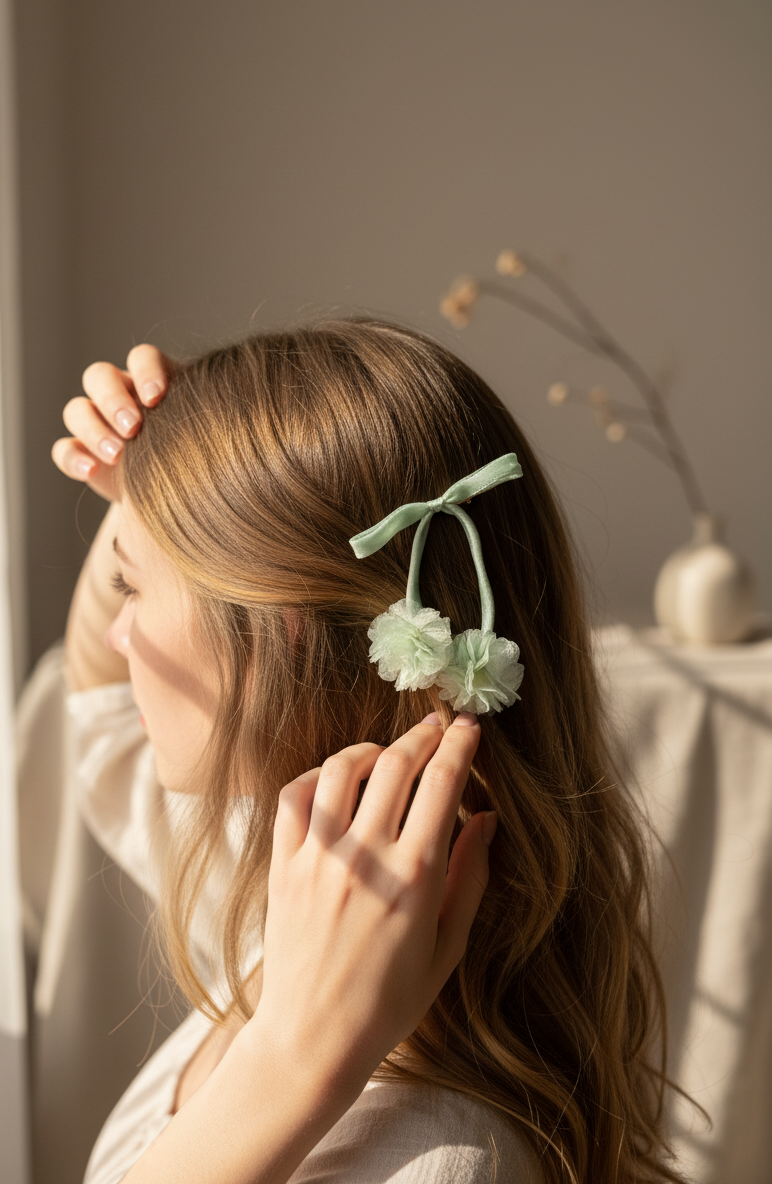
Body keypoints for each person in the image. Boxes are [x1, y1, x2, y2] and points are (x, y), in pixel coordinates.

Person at [51, 318, 688, 1184]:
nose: (118, 634)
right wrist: (156, 473)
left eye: (130, 585)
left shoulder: (441, 1163)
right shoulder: (292, 887)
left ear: (282, 639)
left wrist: (289, 1067)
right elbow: (98, 694)